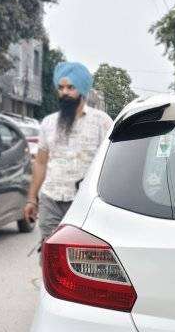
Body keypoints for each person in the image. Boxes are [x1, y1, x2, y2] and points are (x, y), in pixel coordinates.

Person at [24, 61, 111, 243]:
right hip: (51, 200)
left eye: (71, 87)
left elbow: (111, 164)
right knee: (49, 254)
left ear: (82, 88)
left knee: (83, 258)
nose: (65, 92)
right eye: (61, 87)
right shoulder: (48, 123)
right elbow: (40, 163)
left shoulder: (102, 122)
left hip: (86, 203)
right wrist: (32, 199)